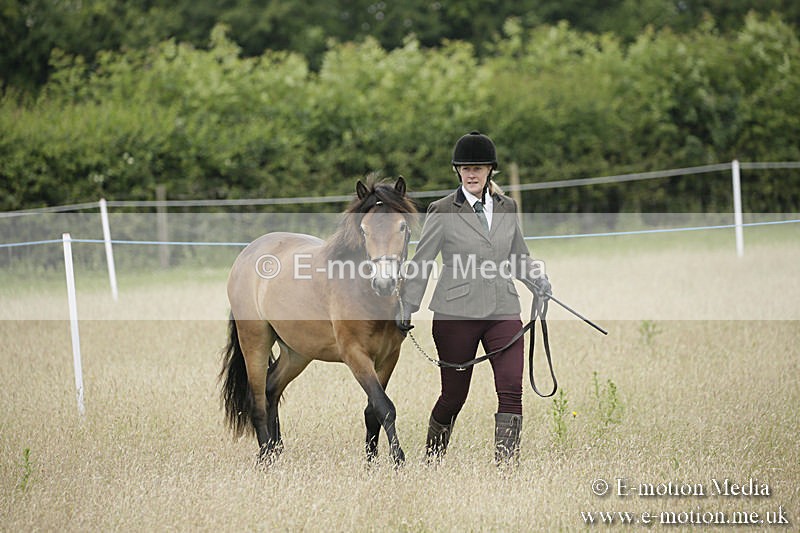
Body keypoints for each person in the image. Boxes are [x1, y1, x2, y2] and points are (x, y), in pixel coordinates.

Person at [397, 131, 550, 466]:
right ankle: (433, 461)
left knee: (511, 388)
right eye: (465, 167)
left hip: (503, 307)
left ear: (490, 169)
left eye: (478, 166)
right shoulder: (442, 210)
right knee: (454, 396)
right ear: (457, 171)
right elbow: (422, 261)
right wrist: (408, 306)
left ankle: (506, 468)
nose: (471, 173)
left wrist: (537, 279)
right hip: (456, 314)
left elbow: (518, 255)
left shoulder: (508, 207)